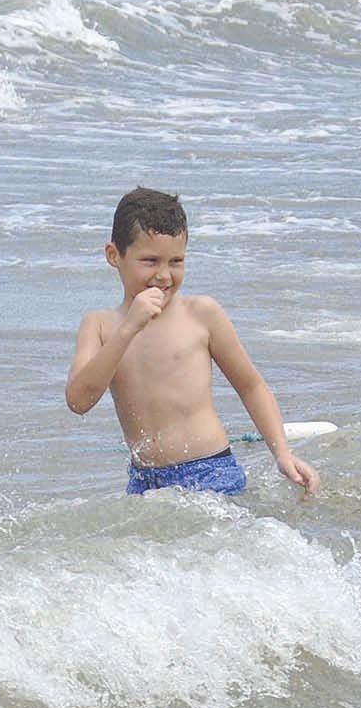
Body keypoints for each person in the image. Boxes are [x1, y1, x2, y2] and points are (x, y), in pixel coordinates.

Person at [65, 186, 319, 496]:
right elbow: (79, 401)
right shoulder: (100, 325)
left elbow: (251, 385)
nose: (164, 275)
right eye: (150, 261)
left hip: (212, 469)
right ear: (114, 255)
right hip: (145, 481)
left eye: (176, 262)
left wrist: (282, 454)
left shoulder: (202, 313)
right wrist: (129, 328)